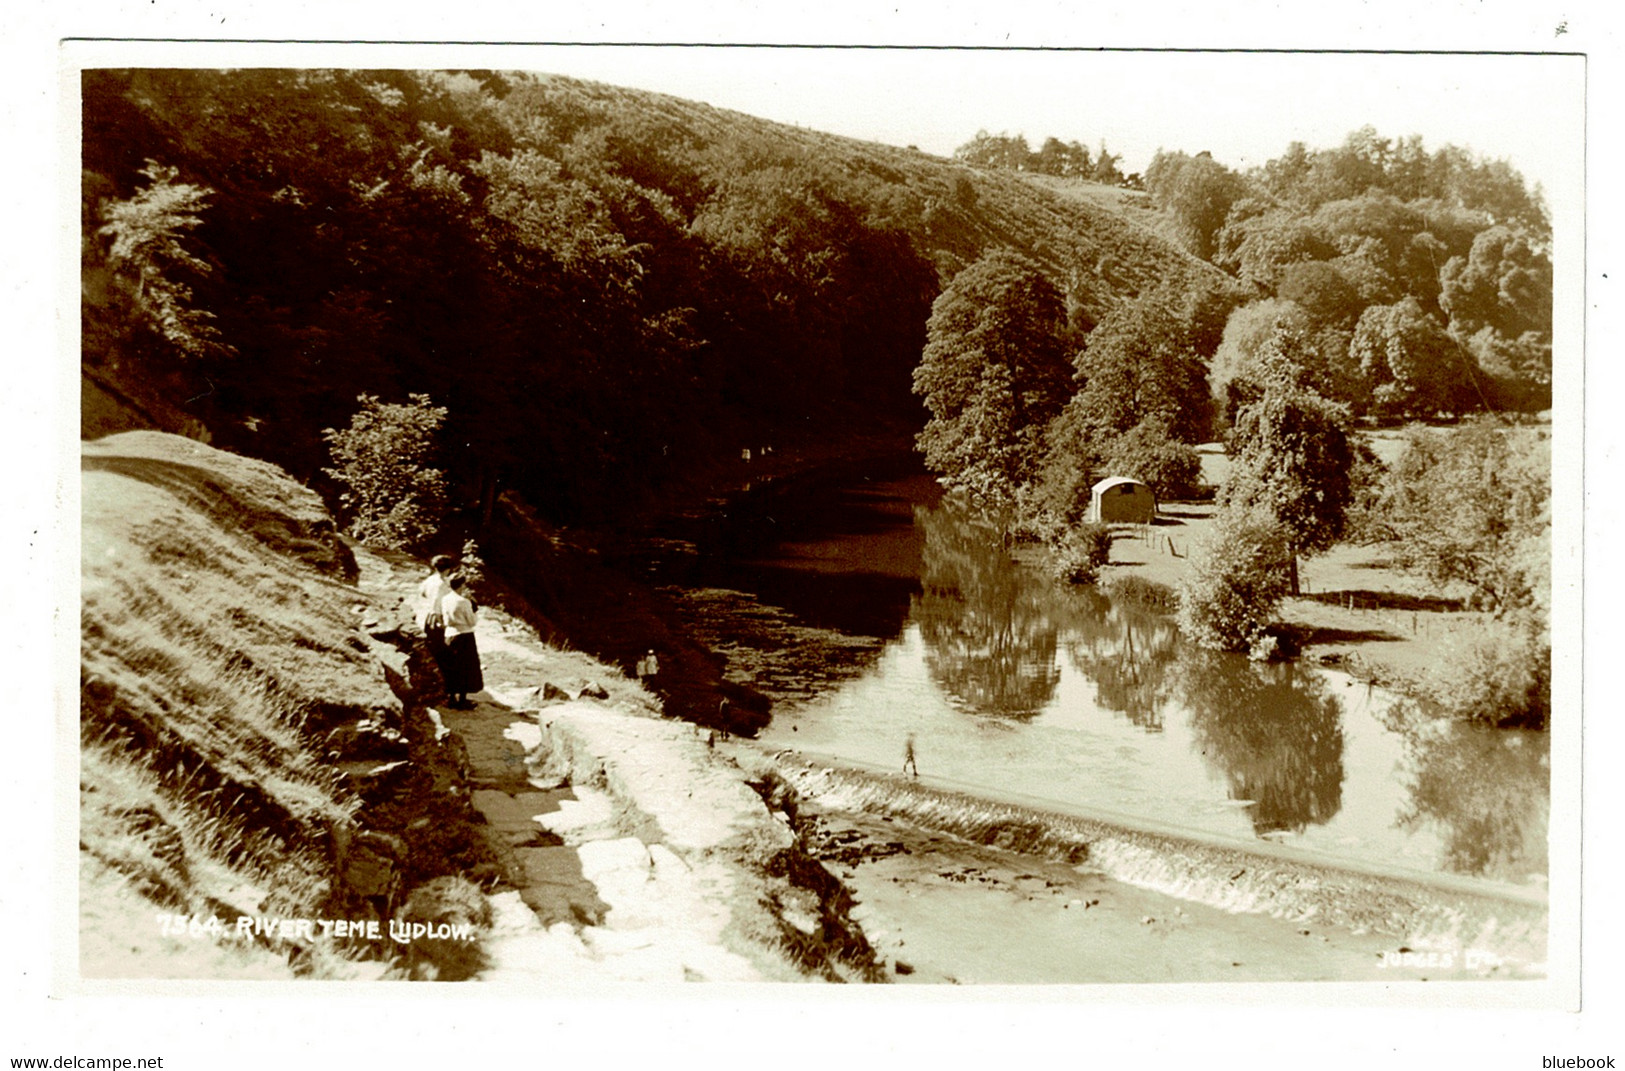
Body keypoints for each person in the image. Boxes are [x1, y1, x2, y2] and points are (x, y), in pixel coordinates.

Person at [440, 575, 484, 709]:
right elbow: (472, 622)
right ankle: (463, 700)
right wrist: (474, 611)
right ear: (461, 585)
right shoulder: (464, 601)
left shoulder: (445, 599)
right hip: (464, 635)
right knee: (466, 667)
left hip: (449, 634)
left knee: (452, 666)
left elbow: (445, 619)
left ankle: (452, 698)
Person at [416, 555, 454, 678]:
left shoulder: (430, 579)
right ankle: (446, 686)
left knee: (435, 650)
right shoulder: (442, 584)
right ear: (448, 569)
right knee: (444, 653)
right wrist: (442, 624)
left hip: (430, 618)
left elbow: (422, 592)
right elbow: (437, 605)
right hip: (439, 619)